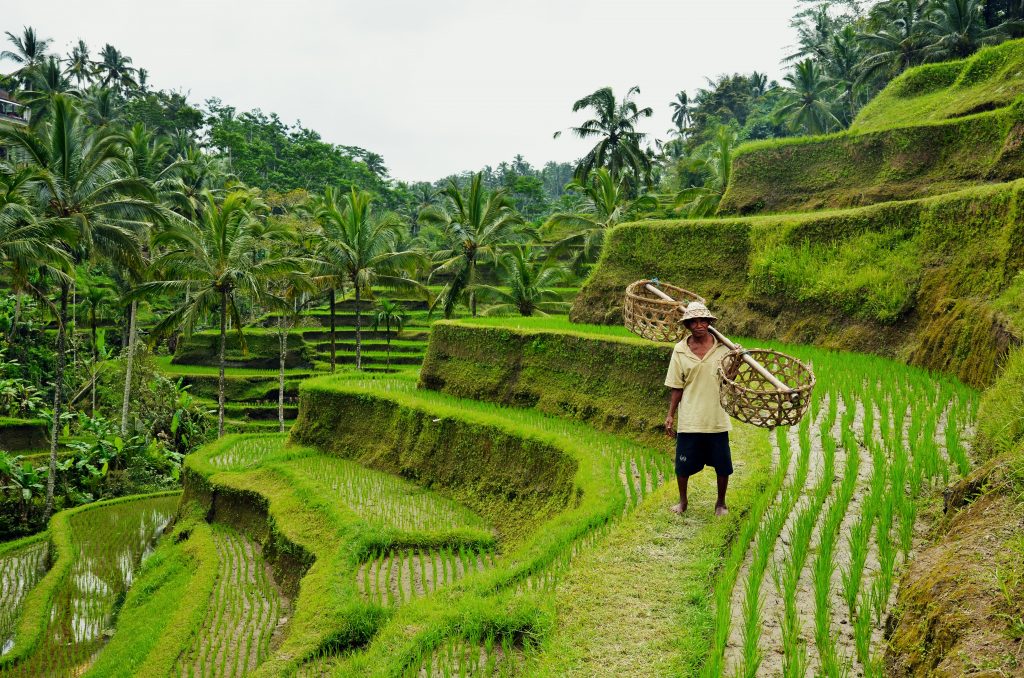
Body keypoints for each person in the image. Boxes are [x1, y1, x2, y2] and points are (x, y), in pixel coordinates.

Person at [663, 301, 732, 516]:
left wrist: (736, 358)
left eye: (703, 321)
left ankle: (720, 503)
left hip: (716, 416)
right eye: (694, 321)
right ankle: (683, 502)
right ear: (688, 325)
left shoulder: (723, 348)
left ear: (710, 323)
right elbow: (677, 387)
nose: (699, 325)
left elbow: (731, 379)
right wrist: (670, 415)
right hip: (690, 418)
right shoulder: (681, 350)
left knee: (722, 465)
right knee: (682, 466)